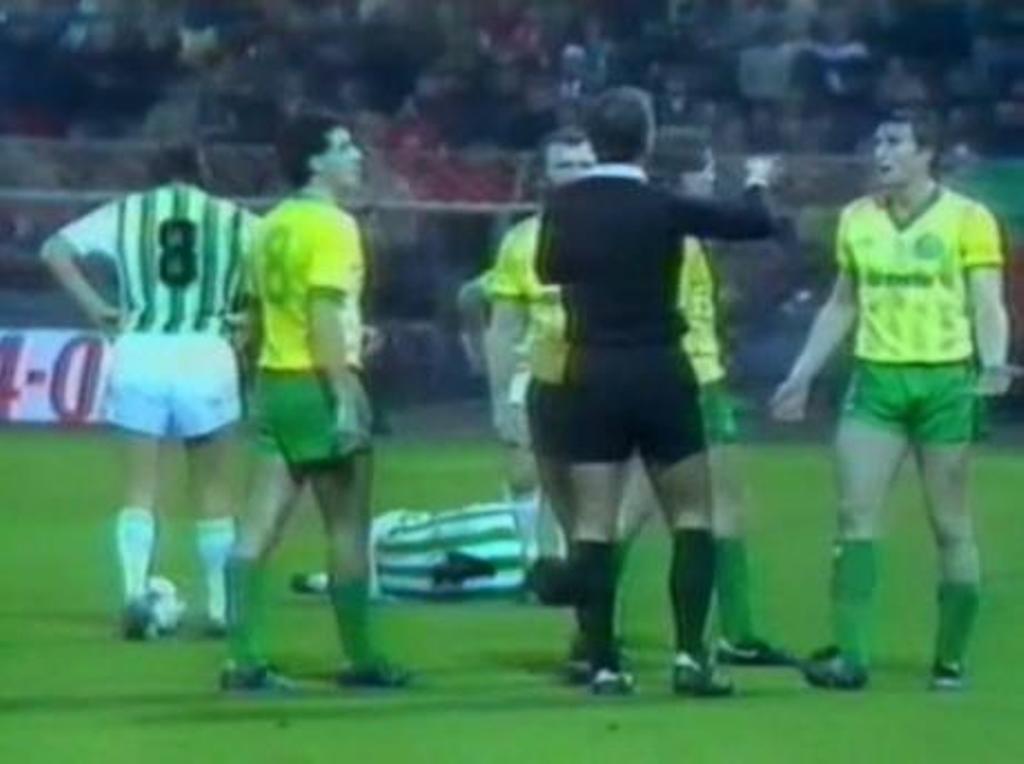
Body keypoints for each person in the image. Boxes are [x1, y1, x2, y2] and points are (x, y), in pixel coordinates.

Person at [530, 86, 780, 696]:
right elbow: (754, 222)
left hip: (591, 370)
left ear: (594, 141)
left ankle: (604, 664)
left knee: (594, 523)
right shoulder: (662, 204)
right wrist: (757, 180)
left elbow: (547, 269)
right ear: (646, 140)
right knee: (691, 516)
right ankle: (691, 658)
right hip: (659, 370)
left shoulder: (563, 205)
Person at [771, 108, 1011, 691]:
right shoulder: (857, 218)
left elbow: (986, 301)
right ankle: (850, 657)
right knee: (854, 515)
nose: (880, 152)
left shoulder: (967, 219)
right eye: (877, 140)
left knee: (950, 522)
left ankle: (950, 661)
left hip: (945, 383)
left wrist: (994, 362)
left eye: (895, 142)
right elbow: (842, 303)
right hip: (877, 381)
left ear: (926, 153)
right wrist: (801, 374)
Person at [221, 116, 408, 692]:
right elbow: (322, 313)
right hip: (319, 384)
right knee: (347, 527)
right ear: (314, 162)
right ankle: (362, 658)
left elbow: (256, 315)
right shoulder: (334, 226)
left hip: (275, 381)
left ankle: (242, 659)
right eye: (343, 147)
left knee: (257, 528)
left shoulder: (269, 225)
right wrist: (345, 389)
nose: (357, 155)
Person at [42, 144, 258, 639]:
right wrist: (251, 315)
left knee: (140, 487)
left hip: (140, 351)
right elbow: (276, 264)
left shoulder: (126, 213)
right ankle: (220, 606)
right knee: (213, 487)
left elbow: (55, 249)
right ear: (201, 171)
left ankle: (135, 592)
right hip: (206, 351)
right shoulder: (233, 219)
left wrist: (97, 307)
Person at [615, 128, 793, 667]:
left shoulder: (648, 227)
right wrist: (758, 181)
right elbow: (752, 221)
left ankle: (595, 631)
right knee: (707, 510)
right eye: (708, 171)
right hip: (692, 380)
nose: (713, 180)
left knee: (641, 513)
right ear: (687, 176)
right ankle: (733, 633)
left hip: (665, 378)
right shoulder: (678, 231)